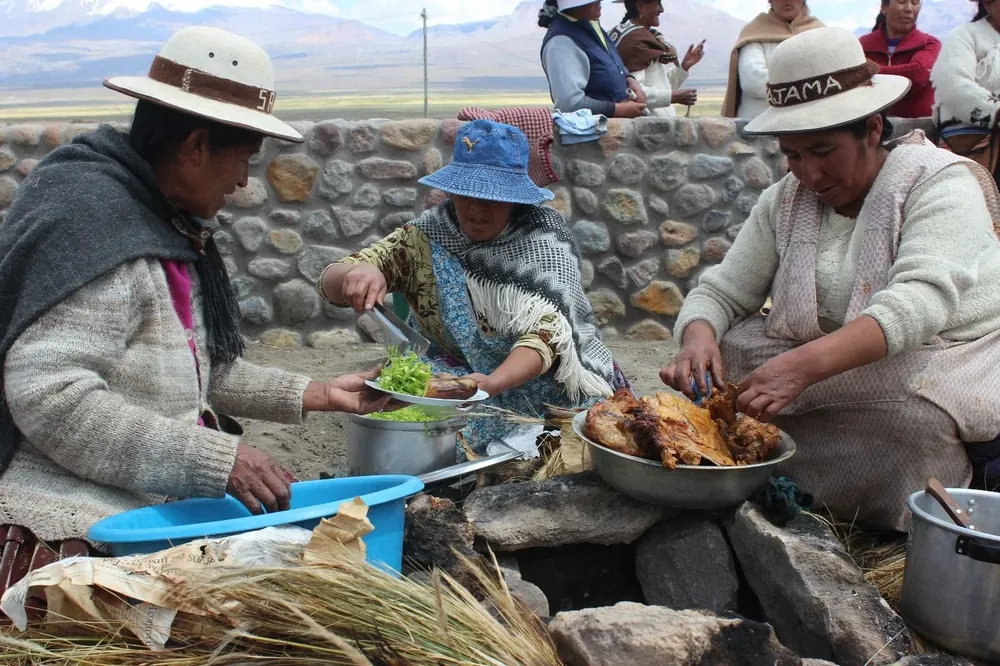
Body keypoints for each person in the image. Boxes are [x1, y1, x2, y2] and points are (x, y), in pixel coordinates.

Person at [0, 26, 394, 599]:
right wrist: (216, 459)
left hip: (143, 502)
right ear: (196, 146)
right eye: (243, 160)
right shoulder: (97, 228)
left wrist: (324, 394)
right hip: (67, 520)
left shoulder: (162, 223)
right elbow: (50, 396)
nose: (242, 181)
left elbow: (192, 369)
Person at [662, 27, 1000, 531]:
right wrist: (697, 336)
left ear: (872, 129)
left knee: (912, 409)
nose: (810, 174)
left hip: (943, 347)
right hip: (831, 348)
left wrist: (802, 368)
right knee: (728, 356)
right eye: (794, 155)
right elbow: (723, 290)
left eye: (823, 151)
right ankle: (770, 474)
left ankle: (896, 506)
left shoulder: (939, 183)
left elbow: (918, 301)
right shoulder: (785, 200)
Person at [319, 119, 625, 454]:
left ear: (516, 200)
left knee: (571, 433)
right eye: (466, 194)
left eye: (493, 197)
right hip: (452, 377)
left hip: (538, 384)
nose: (477, 208)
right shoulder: (425, 236)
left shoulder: (545, 244)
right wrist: (359, 273)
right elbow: (331, 282)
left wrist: (493, 383)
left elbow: (547, 337)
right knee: (406, 420)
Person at [539, 0, 648, 118]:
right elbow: (569, 104)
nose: (600, 1)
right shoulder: (561, 43)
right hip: (598, 129)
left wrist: (630, 80)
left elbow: (610, 62)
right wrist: (617, 110)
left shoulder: (590, 25)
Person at [931, 0, 1000, 184]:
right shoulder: (964, 36)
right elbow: (953, 87)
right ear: (988, 4)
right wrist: (996, 113)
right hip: (974, 143)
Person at [721, 0, 824, 119]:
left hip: (812, 121)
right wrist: (807, 86)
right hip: (759, 123)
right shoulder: (754, 32)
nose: (787, 1)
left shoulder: (821, 34)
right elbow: (753, 80)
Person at [608, 0, 706, 117]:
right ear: (640, 6)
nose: (661, 10)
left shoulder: (646, 38)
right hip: (648, 125)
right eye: (658, 3)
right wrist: (673, 97)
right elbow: (635, 93)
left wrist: (684, 66)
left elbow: (659, 86)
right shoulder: (633, 42)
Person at [860, 0, 940, 118]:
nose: (909, 9)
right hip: (873, 124)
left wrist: (871, 71)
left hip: (919, 125)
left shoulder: (929, 43)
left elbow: (918, 73)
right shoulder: (863, 45)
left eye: (915, 2)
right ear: (884, 7)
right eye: (902, 2)